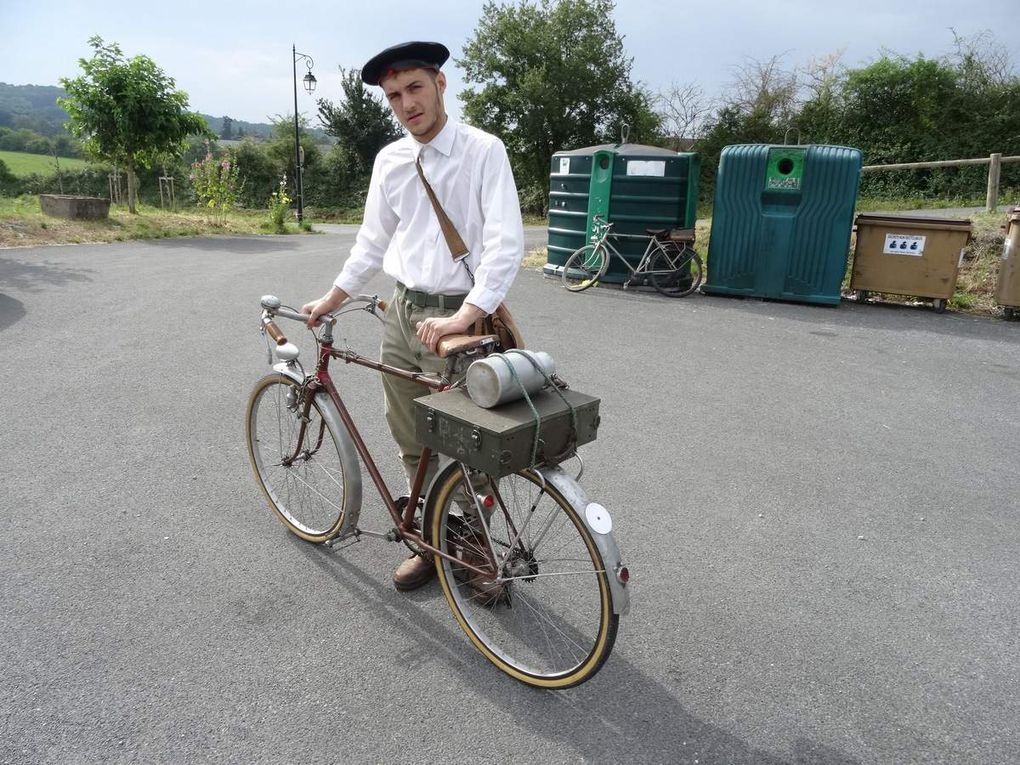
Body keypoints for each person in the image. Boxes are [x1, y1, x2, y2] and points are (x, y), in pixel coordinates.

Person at [302, 41, 524, 591]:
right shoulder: (391, 160)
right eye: (394, 96)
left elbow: (504, 244)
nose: (406, 104)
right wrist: (334, 296)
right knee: (410, 433)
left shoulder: (483, 150)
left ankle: (474, 547)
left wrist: (466, 315)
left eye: (415, 88)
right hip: (401, 313)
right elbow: (372, 240)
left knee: (472, 442)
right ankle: (430, 536)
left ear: (440, 84)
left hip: (461, 322)